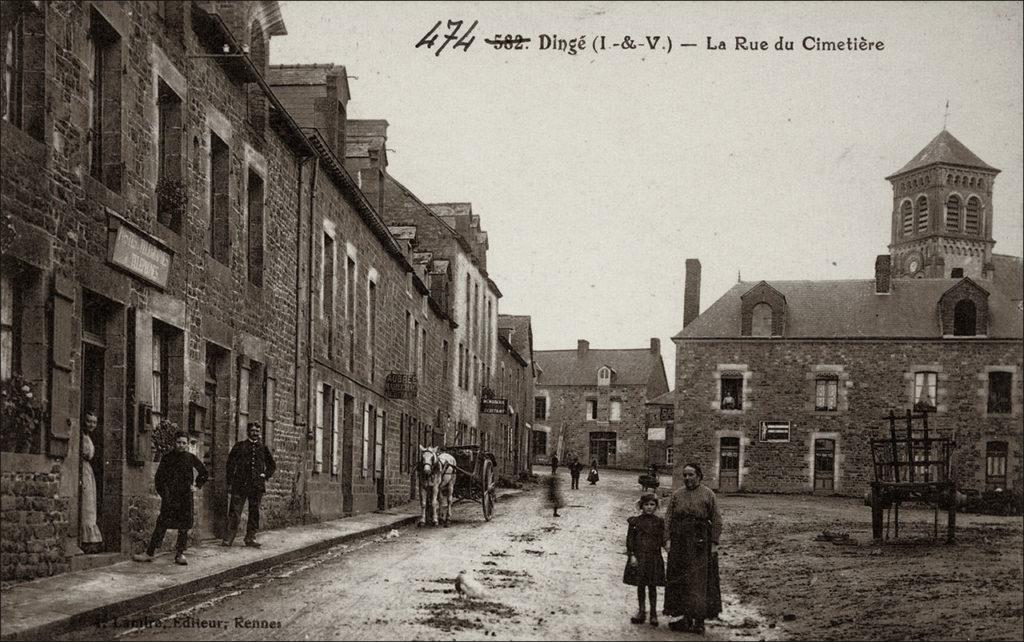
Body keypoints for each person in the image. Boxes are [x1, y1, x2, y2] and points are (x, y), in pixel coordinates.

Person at [663, 463, 722, 634]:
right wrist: (667, 540)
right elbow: (668, 518)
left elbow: (716, 520)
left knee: (699, 581)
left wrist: (714, 544)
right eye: (685, 475)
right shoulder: (677, 495)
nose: (688, 478)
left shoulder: (708, 494)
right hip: (680, 541)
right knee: (681, 579)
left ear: (699, 476)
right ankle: (685, 618)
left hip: (699, 543)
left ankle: (699, 621)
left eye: (691, 475)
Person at [133, 431, 208, 565]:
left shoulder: (190, 457)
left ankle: (179, 554)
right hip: (170, 498)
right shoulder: (167, 458)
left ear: (187, 444)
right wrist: (165, 494)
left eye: (184, 443)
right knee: (162, 523)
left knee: (184, 526)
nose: (181, 445)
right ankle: (149, 553)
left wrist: (196, 485)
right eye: (179, 442)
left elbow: (204, 472)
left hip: (185, 497)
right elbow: (159, 479)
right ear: (175, 442)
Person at [223, 422, 276, 548]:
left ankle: (250, 538)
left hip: (256, 486)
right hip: (240, 485)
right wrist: (230, 482)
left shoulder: (263, 448)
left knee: (254, 512)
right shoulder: (239, 446)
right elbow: (230, 465)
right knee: (235, 512)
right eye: (252, 431)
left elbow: (272, 466)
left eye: (257, 431)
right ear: (248, 432)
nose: (255, 433)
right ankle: (228, 538)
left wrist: (265, 475)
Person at [623, 493, 666, 627]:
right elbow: (630, 541)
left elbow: (663, 540)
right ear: (641, 506)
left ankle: (653, 613)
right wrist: (632, 556)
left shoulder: (659, 522)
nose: (649, 507)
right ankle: (642, 611)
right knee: (641, 584)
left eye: (652, 504)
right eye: (646, 504)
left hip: (654, 557)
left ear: (656, 506)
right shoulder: (635, 522)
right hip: (640, 557)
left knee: (652, 585)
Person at [80, 412, 103, 553]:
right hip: (82, 469)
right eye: (89, 421)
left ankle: (91, 541)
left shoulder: (88, 437)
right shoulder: (81, 437)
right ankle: (85, 540)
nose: (92, 425)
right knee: (86, 504)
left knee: (90, 503)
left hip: (88, 470)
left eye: (94, 422)